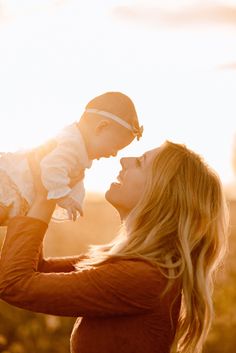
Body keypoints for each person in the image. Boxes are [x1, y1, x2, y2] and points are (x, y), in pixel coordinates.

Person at [0, 140, 229, 353]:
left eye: (140, 163)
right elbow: (36, 269)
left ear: (161, 194)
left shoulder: (143, 278)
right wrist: (39, 191)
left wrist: (45, 196)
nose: (124, 160)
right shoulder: (134, 266)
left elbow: (14, 283)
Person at [0, 91, 143, 224]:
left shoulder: (79, 149)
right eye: (115, 146)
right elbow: (51, 168)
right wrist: (64, 198)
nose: (114, 154)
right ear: (101, 127)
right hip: (12, 187)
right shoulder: (71, 143)